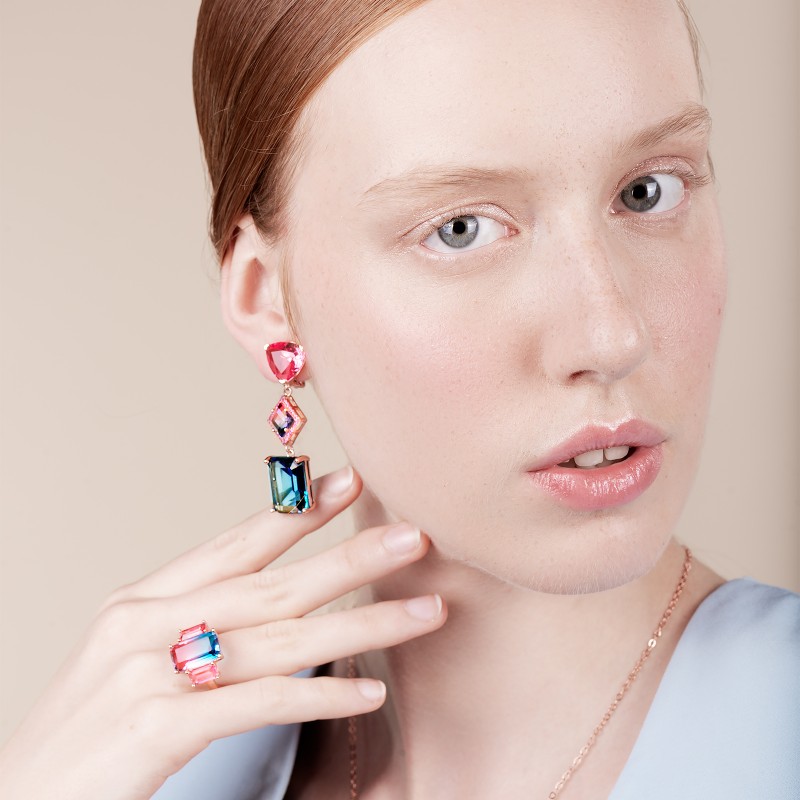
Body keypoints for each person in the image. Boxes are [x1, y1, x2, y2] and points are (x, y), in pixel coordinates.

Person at [1, 0, 798, 798]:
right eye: (460, 229)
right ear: (267, 296)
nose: (612, 336)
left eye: (648, 191)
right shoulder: (151, 774)